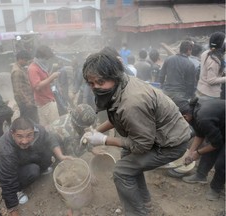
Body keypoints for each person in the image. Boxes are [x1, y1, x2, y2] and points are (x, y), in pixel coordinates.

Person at [80, 52, 191, 216]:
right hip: (155, 134)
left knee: (121, 171)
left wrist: (104, 140)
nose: (95, 87)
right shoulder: (120, 84)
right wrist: (96, 131)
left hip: (170, 144)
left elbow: (142, 145)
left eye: (101, 82)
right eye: (91, 83)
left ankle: (139, 212)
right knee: (127, 160)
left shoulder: (132, 102)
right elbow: (117, 116)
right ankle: (144, 202)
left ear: (114, 76)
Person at [0, 117, 69, 216]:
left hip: (23, 156)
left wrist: (60, 156)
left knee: (47, 148)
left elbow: (50, 139)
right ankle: (18, 191)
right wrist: (13, 210)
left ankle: (42, 169)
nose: (24, 141)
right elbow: (7, 182)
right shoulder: (6, 151)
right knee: (33, 170)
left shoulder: (39, 130)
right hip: (7, 170)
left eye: (29, 135)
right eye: (19, 136)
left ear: (34, 131)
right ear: (12, 133)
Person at [174, 97, 225, 201]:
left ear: (184, 117)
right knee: (208, 146)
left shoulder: (203, 118)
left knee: (222, 162)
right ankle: (200, 175)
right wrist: (191, 152)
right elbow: (200, 134)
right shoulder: (192, 112)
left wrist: (197, 153)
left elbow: (216, 144)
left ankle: (216, 188)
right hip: (222, 127)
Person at [28, 45, 60, 126]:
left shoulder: (41, 66)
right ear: (41, 57)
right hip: (44, 102)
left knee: (52, 126)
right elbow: (37, 86)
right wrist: (51, 77)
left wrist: (51, 78)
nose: (47, 60)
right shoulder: (33, 69)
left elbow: (44, 81)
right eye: (46, 58)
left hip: (48, 99)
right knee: (53, 126)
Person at [11, 50, 39, 124]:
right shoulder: (17, 72)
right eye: (25, 60)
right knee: (29, 122)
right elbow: (18, 90)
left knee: (30, 121)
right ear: (20, 59)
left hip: (27, 101)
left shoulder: (20, 68)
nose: (27, 62)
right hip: (26, 103)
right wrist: (27, 102)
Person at [196, 32, 226, 99]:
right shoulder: (214, 60)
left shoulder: (206, 53)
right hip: (209, 95)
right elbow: (211, 80)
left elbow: (207, 70)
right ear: (220, 44)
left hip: (201, 90)